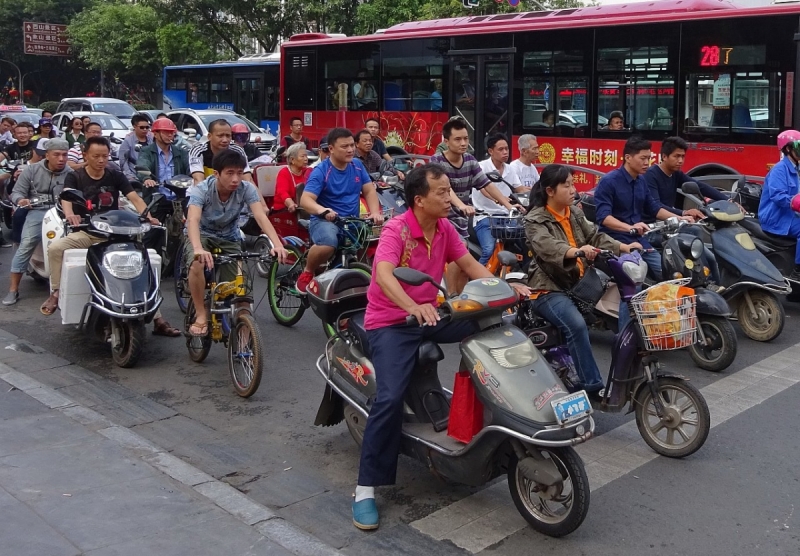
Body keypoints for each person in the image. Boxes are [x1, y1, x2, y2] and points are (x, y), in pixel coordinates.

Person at [350, 163, 530, 531]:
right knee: (388, 399)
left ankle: (490, 418)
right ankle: (365, 489)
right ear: (420, 200)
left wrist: (506, 289)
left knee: (492, 329)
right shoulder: (397, 230)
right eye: (443, 192)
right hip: (393, 323)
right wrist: (411, 306)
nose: (451, 198)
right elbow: (384, 274)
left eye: (450, 190)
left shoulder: (445, 228)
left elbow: (468, 264)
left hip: (433, 314)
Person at [40, 137, 180, 337]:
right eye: (96, 156)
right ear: (85, 155)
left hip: (117, 236)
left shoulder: (115, 175)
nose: (100, 160)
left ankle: (158, 318)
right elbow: (67, 197)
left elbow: (134, 197)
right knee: (55, 248)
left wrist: (148, 217)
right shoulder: (75, 176)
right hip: (88, 233)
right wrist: (70, 214)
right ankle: (55, 292)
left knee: (145, 265)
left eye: (105, 156)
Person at [524, 164, 640, 400]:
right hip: (548, 289)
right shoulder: (535, 219)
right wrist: (575, 251)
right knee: (576, 325)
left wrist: (623, 246)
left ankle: (627, 369)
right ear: (550, 190)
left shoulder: (574, 212)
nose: (572, 190)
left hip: (580, 283)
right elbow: (547, 247)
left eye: (573, 184)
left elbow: (594, 235)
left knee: (631, 299)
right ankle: (592, 386)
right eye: (566, 185)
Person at [184, 150, 287, 336]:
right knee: (196, 264)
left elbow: (260, 217)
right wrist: (198, 248)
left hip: (229, 236)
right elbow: (192, 220)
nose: (236, 179)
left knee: (242, 291)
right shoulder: (202, 190)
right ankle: (200, 314)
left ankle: (245, 340)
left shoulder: (246, 189)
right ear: (216, 174)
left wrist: (277, 244)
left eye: (240, 173)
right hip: (202, 234)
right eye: (230, 173)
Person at [430, 118, 517, 293]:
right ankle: (452, 299)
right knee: (459, 255)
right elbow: (446, 189)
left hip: (462, 220)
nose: (463, 143)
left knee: (464, 267)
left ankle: (463, 302)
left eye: (466, 139)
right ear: (446, 141)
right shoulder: (436, 161)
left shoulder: (469, 160)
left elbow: (486, 184)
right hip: (442, 218)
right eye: (458, 139)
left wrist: (509, 206)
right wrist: (462, 205)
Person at [295, 127, 384, 293]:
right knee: (328, 243)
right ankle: (308, 271)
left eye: (352, 145)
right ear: (331, 149)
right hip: (325, 221)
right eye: (344, 146)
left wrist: (375, 212)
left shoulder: (357, 165)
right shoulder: (322, 171)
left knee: (374, 241)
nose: (350, 150)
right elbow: (306, 200)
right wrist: (323, 211)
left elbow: (369, 190)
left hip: (351, 221)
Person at [594, 136, 691, 282]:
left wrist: (680, 218)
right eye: (643, 158)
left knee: (669, 273)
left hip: (639, 239)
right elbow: (604, 217)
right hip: (616, 240)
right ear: (628, 157)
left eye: (649, 158)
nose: (647, 163)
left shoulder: (641, 181)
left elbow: (654, 208)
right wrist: (630, 227)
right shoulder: (609, 182)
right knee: (635, 280)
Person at [644, 136, 726, 285]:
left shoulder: (675, 174)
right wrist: (683, 214)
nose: (680, 160)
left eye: (683, 156)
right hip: (653, 230)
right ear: (664, 156)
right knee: (693, 232)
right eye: (676, 156)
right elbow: (656, 206)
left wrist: (726, 199)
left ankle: (716, 289)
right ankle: (702, 284)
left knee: (712, 260)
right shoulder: (651, 176)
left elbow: (699, 186)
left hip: (671, 227)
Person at [2, 139, 72, 305]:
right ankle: (13, 289)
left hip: (63, 212)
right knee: (27, 243)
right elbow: (17, 192)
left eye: (64, 155)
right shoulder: (31, 170)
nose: (61, 158)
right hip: (37, 211)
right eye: (57, 155)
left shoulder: (71, 173)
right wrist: (21, 200)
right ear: (47, 155)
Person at [473, 133, 527, 264]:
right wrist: (499, 199)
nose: (505, 152)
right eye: (501, 149)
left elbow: (520, 189)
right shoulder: (481, 167)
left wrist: (539, 194)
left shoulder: (509, 169)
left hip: (506, 217)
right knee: (488, 249)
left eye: (507, 149)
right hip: (485, 217)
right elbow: (483, 188)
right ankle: (477, 279)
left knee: (527, 243)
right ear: (490, 151)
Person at [759, 129, 800, 281]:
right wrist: (795, 202)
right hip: (776, 218)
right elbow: (778, 197)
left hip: (791, 215)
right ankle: (797, 272)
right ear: (788, 149)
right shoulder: (779, 170)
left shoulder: (797, 168)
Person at [136, 117, 190, 205]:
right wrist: (147, 179)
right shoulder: (146, 151)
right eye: (165, 132)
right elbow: (143, 164)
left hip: (180, 199)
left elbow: (190, 169)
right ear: (155, 134)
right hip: (156, 201)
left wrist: (194, 178)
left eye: (171, 132)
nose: (169, 135)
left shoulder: (181, 152)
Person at [188, 119, 252, 184]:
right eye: (220, 136)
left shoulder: (237, 150)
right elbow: (198, 181)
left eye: (228, 136)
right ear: (209, 136)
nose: (225, 140)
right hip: (204, 190)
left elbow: (248, 180)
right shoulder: (198, 150)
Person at [273, 142, 311, 213]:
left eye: (306, 156)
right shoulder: (284, 173)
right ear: (292, 160)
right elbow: (283, 192)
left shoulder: (308, 171)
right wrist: (291, 204)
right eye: (302, 156)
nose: (306, 159)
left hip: (303, 208)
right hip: (284, 210)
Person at [118, 114, 152, 184]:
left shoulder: (151, 139)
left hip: (150, 176)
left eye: (147, 127)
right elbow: (123, 161)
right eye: (142, 127)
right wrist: (130, 176)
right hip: (134, 176)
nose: (145, 129)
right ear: (134, 127)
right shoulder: (128, 141)